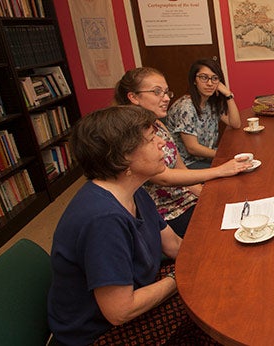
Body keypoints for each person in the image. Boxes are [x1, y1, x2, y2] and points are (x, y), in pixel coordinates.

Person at [47, 106, 219, 345]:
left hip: (138, 290)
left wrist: (217, 255)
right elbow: (120, 311)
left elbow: (174, 246)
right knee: (213, 314)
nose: (162, 143)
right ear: (121, 157)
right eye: (151, 139)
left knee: (219, 285)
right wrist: (180, 277)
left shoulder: (133, 190)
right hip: (99, 333)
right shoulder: (103, 220)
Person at [115, 67, 253, 237]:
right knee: (227, 233)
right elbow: (164, 177)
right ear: (133, 97)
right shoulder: (130, 134)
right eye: (157, 92)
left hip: (185, 197)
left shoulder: (158, 124)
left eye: (166, 92)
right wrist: (220, 170)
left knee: (236, 202)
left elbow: (180, 167)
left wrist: (205, 194)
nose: (165, 98)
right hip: (166, 212)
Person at [167, 58, 241, 169]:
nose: (210, 83)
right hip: (187, 164)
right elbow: (192, 148)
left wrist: (228, 95)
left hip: (206, 157)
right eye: (204, 78)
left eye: (215, 78)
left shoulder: (210, 102)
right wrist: (223, 156)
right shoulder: (186, 106)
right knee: (237, 169)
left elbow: (235, 124)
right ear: (194, 80)